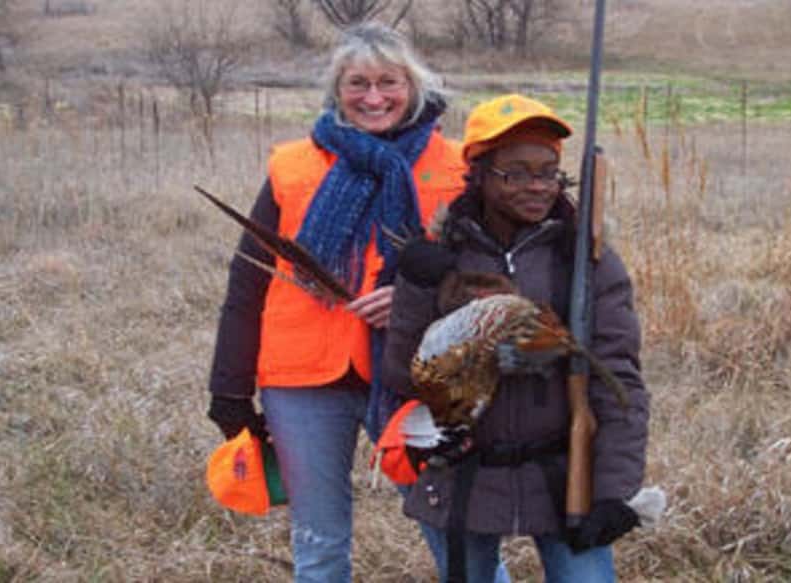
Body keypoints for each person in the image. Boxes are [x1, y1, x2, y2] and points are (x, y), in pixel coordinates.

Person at [205, 23, 468, 582]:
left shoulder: (457, 166)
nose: (374, 98)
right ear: (337, 90)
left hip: (413, 375)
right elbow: (246, 282)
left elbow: (486, 276)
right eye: (358, 83)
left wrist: (414, 301)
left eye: (388, 82)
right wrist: (228, 388)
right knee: (320, 544)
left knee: (456, 533)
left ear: (412, 85)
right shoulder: (292, 166)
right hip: (302, 381)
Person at [383, 94, 650, 582]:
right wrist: (421, 289)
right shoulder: (439, 256)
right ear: (479, 175)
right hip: (465, 475)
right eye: (515, 172)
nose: (536, 186)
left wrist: (613, 490)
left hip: (564, 474)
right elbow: (403, 375)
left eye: (548, 171)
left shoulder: (584, 261)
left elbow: (620, 380)